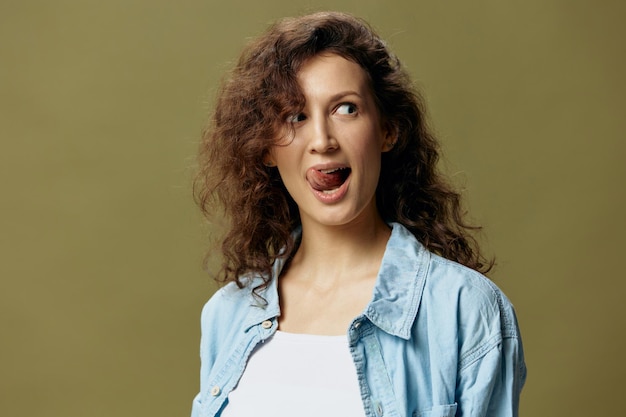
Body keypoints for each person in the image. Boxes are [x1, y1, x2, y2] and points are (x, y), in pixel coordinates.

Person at [191, 11, 526, 417]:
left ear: (388, 130)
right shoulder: (227, 314)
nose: (322, 140)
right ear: (265, 147)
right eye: (295, 116)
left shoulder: (465, 310)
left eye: (345, 109)